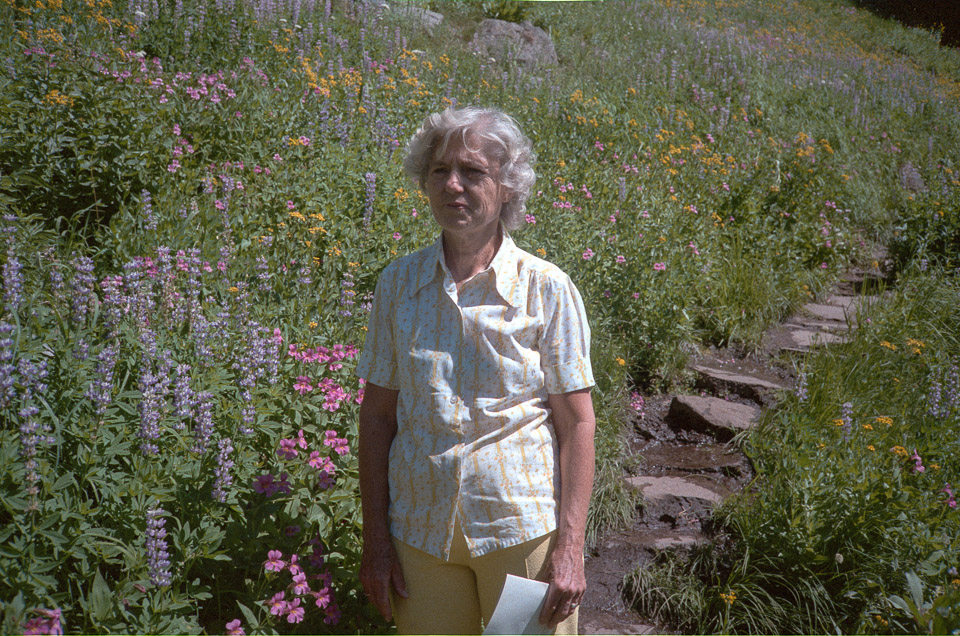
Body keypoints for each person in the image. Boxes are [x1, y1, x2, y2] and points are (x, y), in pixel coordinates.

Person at [355, 105, 596, 635]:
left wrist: (571, 546)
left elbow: (578, 424)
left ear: (507, 187)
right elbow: (376, 419)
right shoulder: (398, 285)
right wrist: (376, 542)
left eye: (473, 172)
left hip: (520, 529)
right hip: (420, 534)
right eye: (440, 171)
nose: (454, 185)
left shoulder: (546, 288)